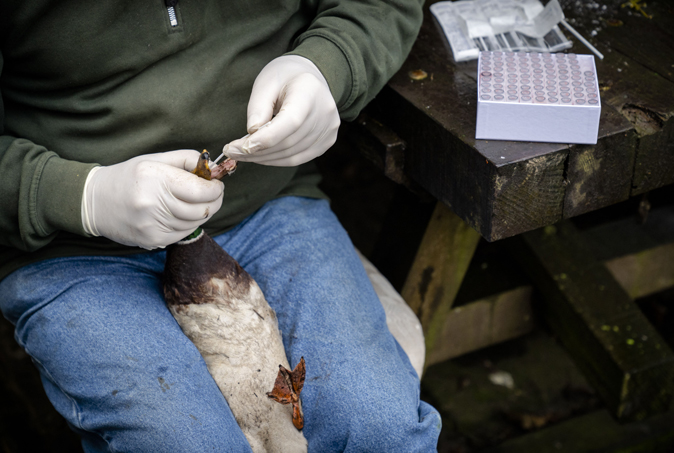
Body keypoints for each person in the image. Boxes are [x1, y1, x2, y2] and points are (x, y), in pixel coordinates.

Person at [0, 0, 442, 451]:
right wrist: (82, 195)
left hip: (267, 205)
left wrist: (328, 64)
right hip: (76, 247)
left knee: (379, 427)